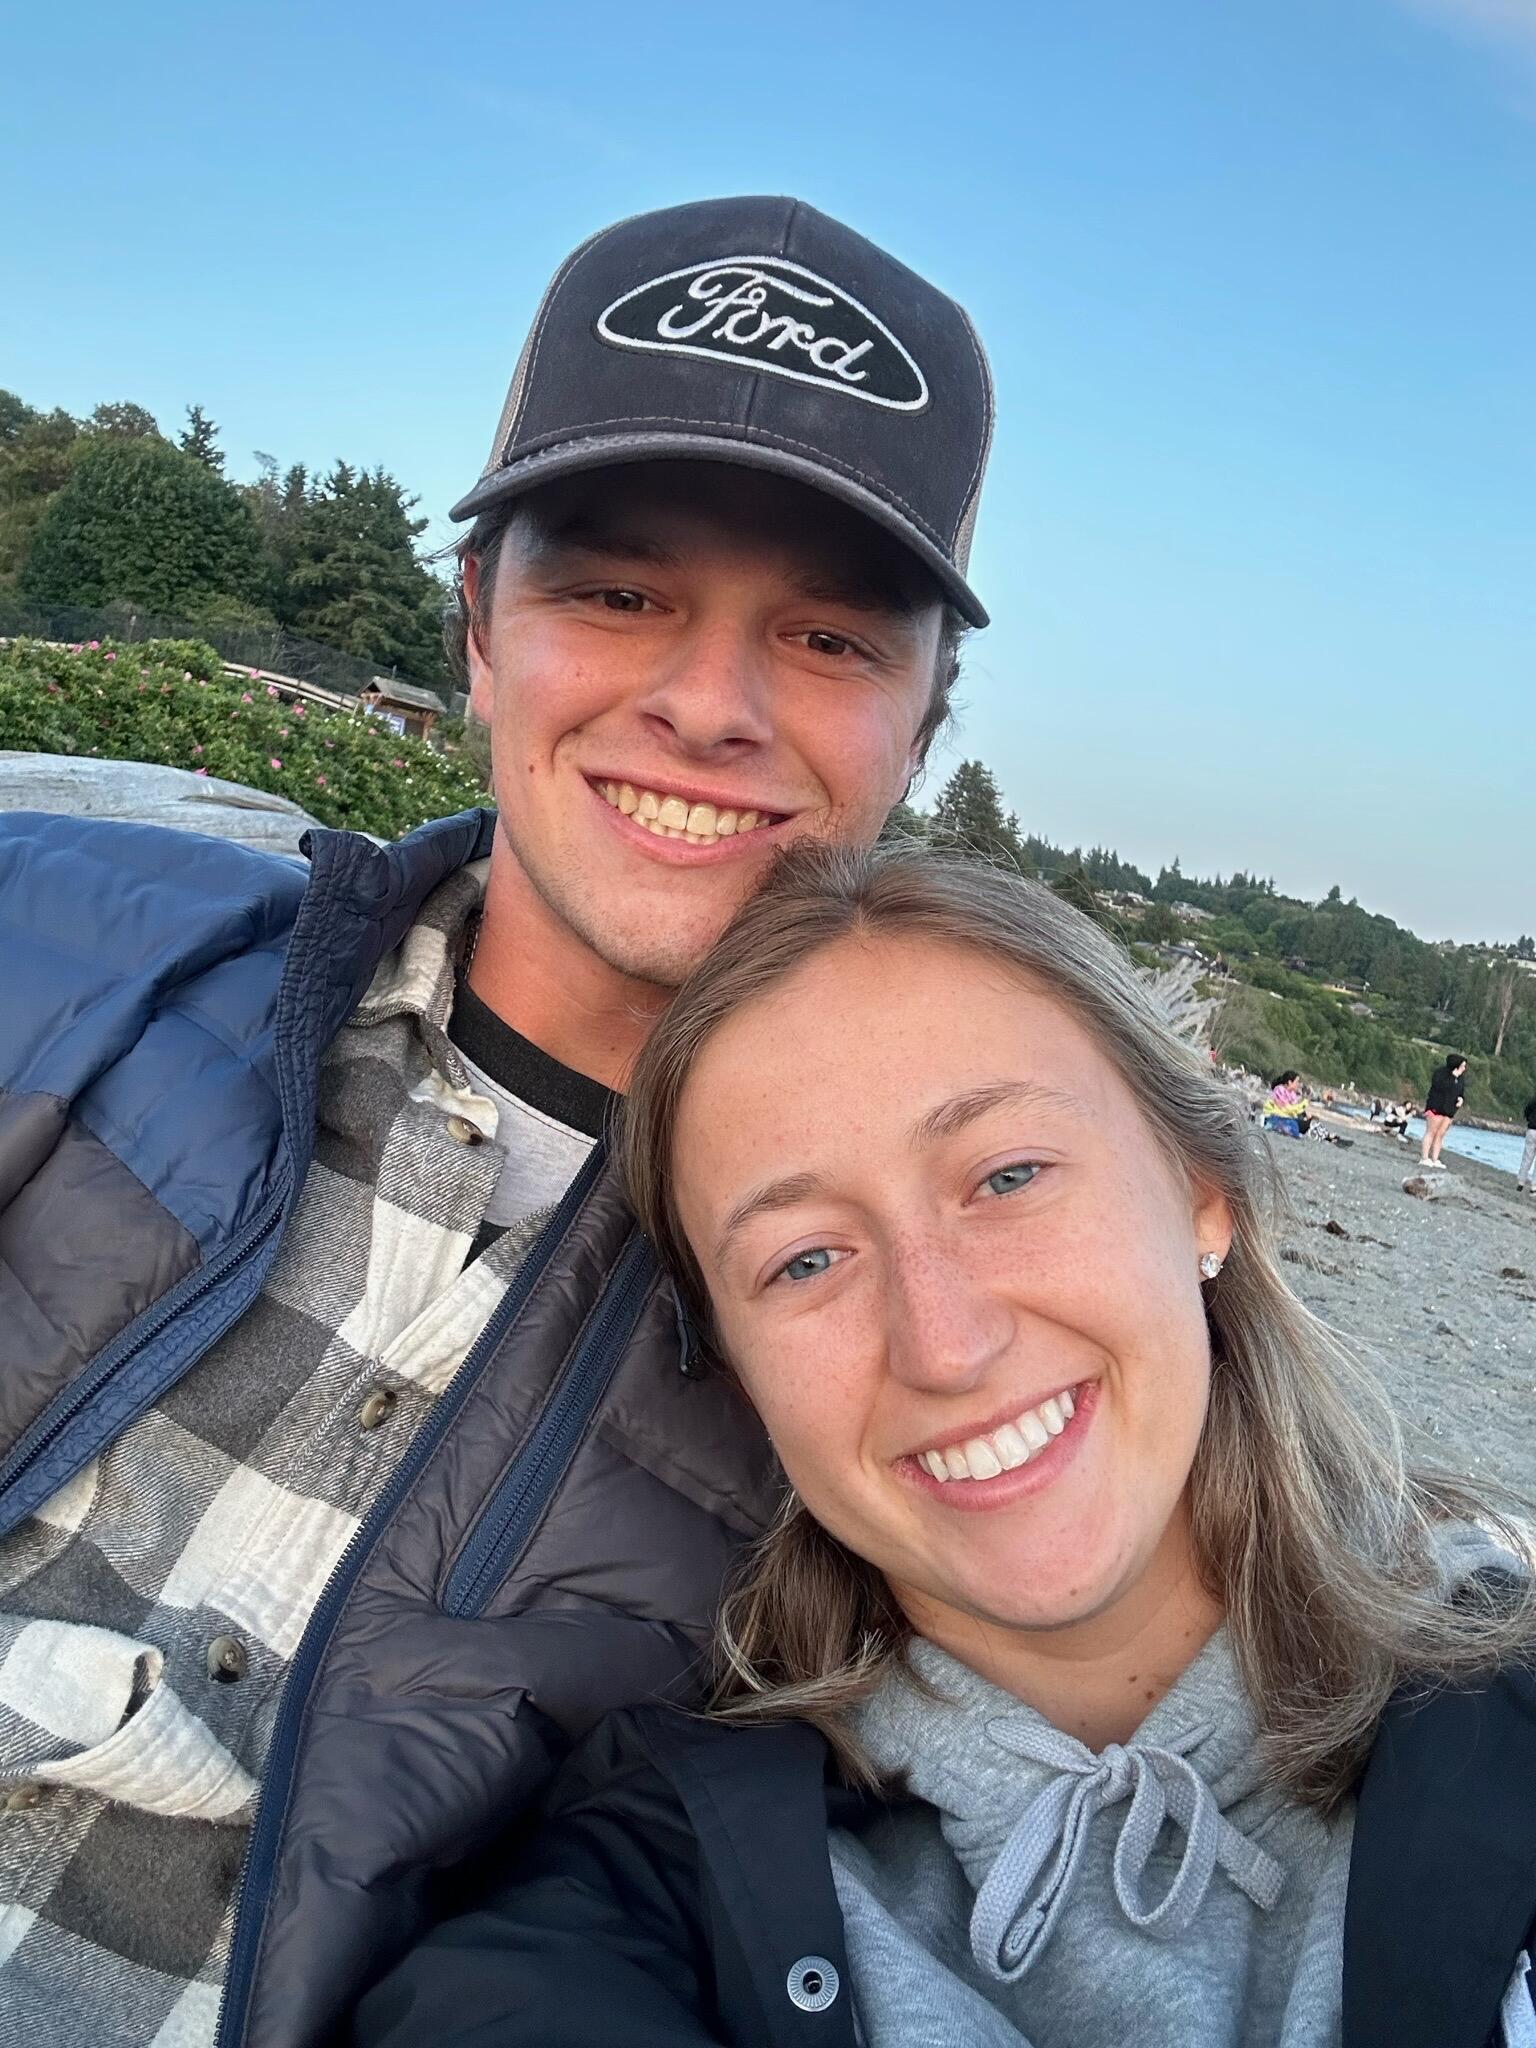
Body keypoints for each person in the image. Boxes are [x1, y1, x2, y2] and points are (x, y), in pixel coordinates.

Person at [0, 198, 995, 2046]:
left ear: (926, 726)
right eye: (616, 592)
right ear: (476, 628)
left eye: (831, 638)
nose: (706, 703)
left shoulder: (915, 1332)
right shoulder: (45, 943)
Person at [352, 843, 1536, 2048]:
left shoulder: (1508, 1673)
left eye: (1008, 1175)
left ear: (1201, 1193)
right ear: (737, 1367)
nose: (944, 1343)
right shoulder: (647, 1881)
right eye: (804, 1258)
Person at [1420, 1053, 1468, 1169]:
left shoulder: (1460, 1078)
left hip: (1450, 1110)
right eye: (1462, 1066)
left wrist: (1461, 1098)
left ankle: (1435, 1159)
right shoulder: (1440, 1073)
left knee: (1440, 1134)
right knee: (1431, 1131)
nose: (1464, 1069)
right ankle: (1424, 1158)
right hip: (1436, 1106)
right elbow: (1439, 1087)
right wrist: (1452, 1077)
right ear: (1456, 1065)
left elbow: (1460, 1091)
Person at [1261, 1070, 1310, 1138]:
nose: (1298, 1084)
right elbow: (1285, 1108)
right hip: (1275, 1116)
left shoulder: (1292, 1094)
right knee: (1293, 1127)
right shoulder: (1279, 1090)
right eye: (1297, 1082)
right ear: (1290, 1082)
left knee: (1307, 1123)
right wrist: (1302, 1105)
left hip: (1286, 1117)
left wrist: (1305, 1114)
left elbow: (1294, 1109)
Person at [1518, 1092, 1536, 1194]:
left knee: (1527, 1157)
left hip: (1532, 1130)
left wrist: (1529, 1120)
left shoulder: (1533, 1100)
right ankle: (1534, 1187)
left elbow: (1526, 1110)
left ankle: (1521, 1182)